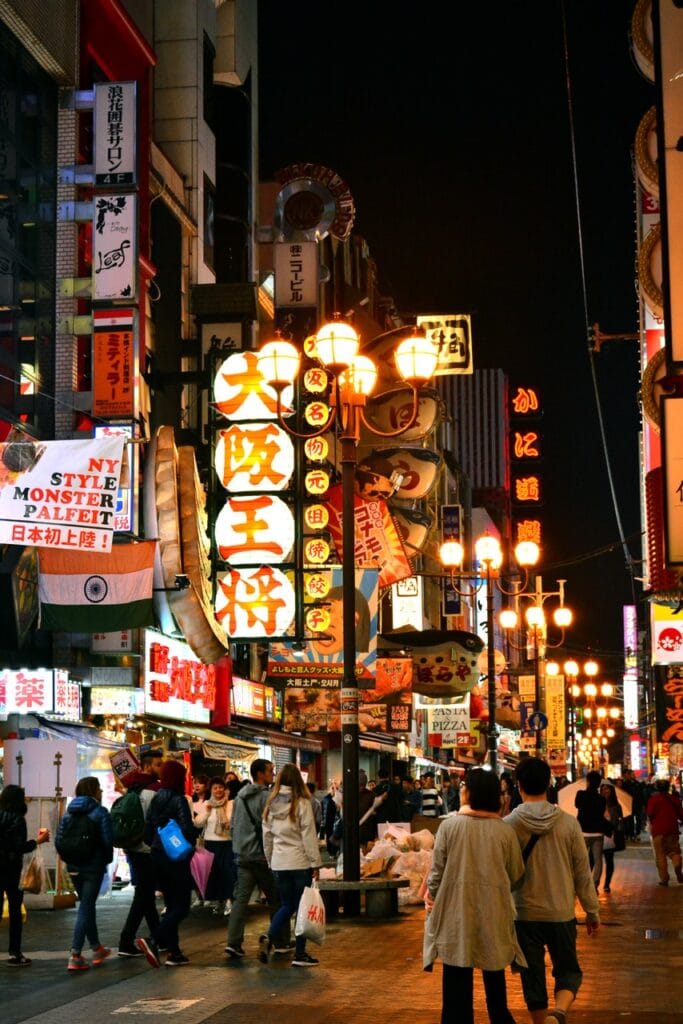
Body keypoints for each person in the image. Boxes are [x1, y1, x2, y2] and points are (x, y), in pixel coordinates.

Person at [423, 768, 524, 1024]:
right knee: (494, 980)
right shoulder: (504, 831)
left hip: (457, 912)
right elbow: (516, 874)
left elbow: (436, 872)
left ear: (469, 793)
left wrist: (431, 896)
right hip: (495, 913)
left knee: (456, 981)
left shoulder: (449, 827)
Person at [506, 756, 600, 1024]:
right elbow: (583, 873)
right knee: (568, 971)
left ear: (519, 785)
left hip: (523, 913)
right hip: (560, 911)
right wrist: (592, 911)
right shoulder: (568, 823)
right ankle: (558, 1012)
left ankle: (540, 1022)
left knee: (531, 975)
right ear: (549, 784)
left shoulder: (508, 825)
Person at [224, 758, 291, 960]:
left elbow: (233, 826)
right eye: (270, 770)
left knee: (240, 901)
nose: (273, 773)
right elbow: (275, 825)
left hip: (242, 856)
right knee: (276, 899)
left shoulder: (239, 798)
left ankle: (233, 943)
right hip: (262, 857)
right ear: (260, 774)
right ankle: (280, 941)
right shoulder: (267, 797)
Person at [261, 763, 322, 968]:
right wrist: (315, 863)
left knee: (287, 905)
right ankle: (300, 954)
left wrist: (270, 860)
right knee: (302, 909)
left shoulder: (270, 804)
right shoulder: (302, 803)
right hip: (299, 862)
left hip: (279, 863)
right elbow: (308, 836)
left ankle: (269, 936)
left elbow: (267, 837)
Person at [138, 759, 197, 967]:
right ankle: (153, 939)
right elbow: (187, 829)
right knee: (182, 907)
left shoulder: (156, 798)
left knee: (171, 904)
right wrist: (190, 842)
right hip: (175, 859)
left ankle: (174, 952)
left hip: (156, 856)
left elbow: (146, 833)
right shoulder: (178, 799)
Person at [58, 776, 113, 972]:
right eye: (99, 788)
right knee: (86, 906)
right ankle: (75, 954)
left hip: (73, 866)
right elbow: (108, 841)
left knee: (86, 906)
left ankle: (97, 948)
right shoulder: (100, 812)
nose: (102, 791)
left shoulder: (68, 814)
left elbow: (59, 839)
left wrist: (68, 859)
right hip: (93, 867)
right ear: (93, 791)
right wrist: (105, 860)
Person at [0, 784, 50, 966]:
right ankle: (15, 954)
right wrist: (38, 841)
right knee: (15, 911)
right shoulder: (17, 819)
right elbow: (19, 847)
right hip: (12, 870)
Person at [116, 769, 161, 957]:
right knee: (142, 897)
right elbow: (157, 822)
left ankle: (160, 937)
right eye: (158, 764)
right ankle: (126, 941)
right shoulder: (152, 794)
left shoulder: (130, 794)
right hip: (147, 851)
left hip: (133, 849)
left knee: (146, 896)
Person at [193, 776, 236, 915]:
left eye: (220, 787)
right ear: (211, 790)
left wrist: (229, 824)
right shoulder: (207, 804)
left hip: (227, 843)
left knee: (228, 873)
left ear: (225, 789)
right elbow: (197, 823)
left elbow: (234, 822)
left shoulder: (231, 804)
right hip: (210, 844)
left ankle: (230, 901)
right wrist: (207, 811)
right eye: (215, 788)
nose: (218, 790)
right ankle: (219, 902)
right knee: (215, 875)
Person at [645, 778, 683, 887]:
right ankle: (677, 864)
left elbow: (650, 813)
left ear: (657, 788)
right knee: (674, 852)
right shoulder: (674, 799)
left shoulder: (653, 800)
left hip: (658, 830)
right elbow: (681, 814)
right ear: (668, 787)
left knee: (660, 855)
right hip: (672, 829)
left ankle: (664, 879)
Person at [574, 770, 606, 887]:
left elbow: (576, 805)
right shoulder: (602, 799)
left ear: (587, 782)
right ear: (599, 784)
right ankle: (594, 883)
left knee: (581, 859)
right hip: (598, 832)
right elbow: (601, 813)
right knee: (598, 860)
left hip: (583, 831)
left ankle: (582, 882)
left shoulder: (581, 794)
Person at [599, 782, 623, 894]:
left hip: (610, 835)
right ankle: (595, 883)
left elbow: (620, 821)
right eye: (603, 789)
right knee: (594, 861)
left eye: (607, 789)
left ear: (612, 791)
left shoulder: (616, 806)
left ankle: (607, 884)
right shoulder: (596, 803)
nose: (605, 791)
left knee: (609, 861)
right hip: (598, 835)